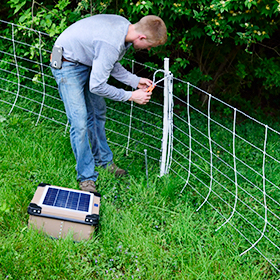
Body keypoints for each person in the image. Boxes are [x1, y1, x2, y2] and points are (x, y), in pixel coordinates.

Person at [51, 14, 167, 192]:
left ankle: (104, 162)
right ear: (142, 37)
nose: (148, 50)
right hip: (67, 63)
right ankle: (86, 178)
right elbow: (97, 86)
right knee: (80, 122)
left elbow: (109, 62)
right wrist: (130, 95)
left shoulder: (125, 29)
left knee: (97, 112)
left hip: (86, 60)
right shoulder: (112, 42)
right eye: (149, 46)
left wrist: (135, 81)